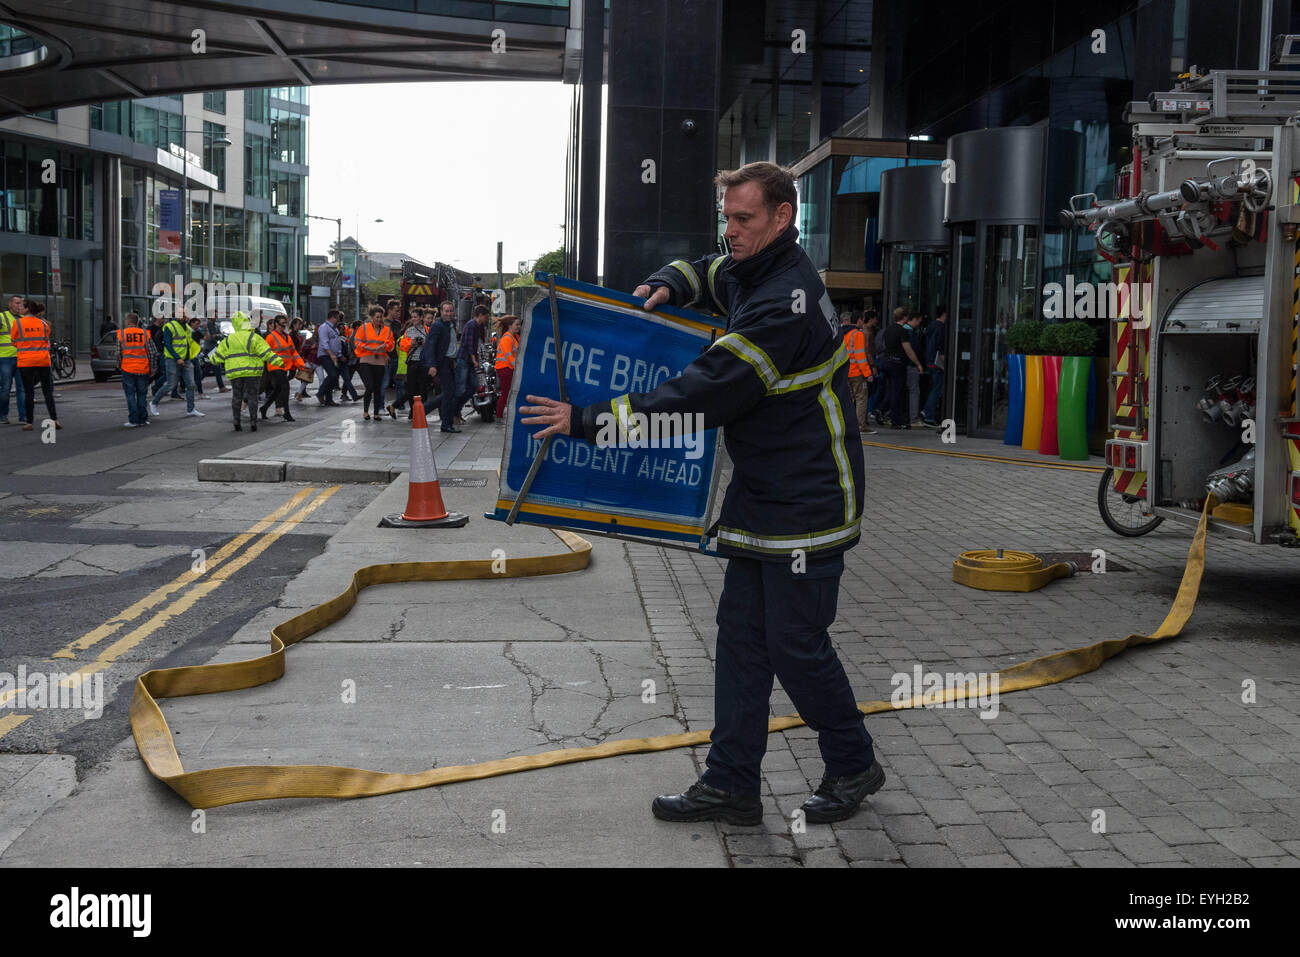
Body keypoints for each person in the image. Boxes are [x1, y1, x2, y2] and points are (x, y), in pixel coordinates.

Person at [520, 161, 881, 826]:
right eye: (727, 217)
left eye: (744, 219)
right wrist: (667, 280)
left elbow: (699, 397)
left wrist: (586, 421)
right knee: (743, 640)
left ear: (782, 217)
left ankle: (853, 762)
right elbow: (709, 271)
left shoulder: (783, 303)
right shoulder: (757, 270)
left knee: (795, 644)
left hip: (808, 503)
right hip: (764, 496)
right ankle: (732, 783)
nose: (731, 230)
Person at [208, 310, 285, 432]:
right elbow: (266, 353)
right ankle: (253, 422)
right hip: (252, 372)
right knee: (252, 396)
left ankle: (236, 421)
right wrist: (279, 361)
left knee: (236, 396)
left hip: (235, 373)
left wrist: (210, 359)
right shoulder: (254, 337)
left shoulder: (228, 340)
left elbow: (217, 357)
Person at [13, 300, 58, 432]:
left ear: (27, 309)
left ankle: (29, 422)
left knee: (28, 392)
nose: (19, 308)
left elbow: (14, 341)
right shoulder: (44, 324)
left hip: (26, 361)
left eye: (21, 306)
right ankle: (54, 419)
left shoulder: (18, 323)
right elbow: (46, 341)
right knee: (48, 391)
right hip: (43, 361)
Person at [149, 306, 202, 418]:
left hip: (185, 360)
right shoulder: (170, 326)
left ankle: (191, 409)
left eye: (185, 314)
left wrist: (189, 357)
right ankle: (153, 403)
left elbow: (187, 343)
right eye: (182, 314)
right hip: (173, 359)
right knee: (171, 384)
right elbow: (167, 344)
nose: (184, 316)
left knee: (191, 385)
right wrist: (177, 358)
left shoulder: (187, 328)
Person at [881, 307, 923, 430]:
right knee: (897, 392)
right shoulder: (902, 331)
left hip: (887, 362)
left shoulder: (888, 329)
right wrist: (918, 364)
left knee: (890, 390)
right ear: (904, 317)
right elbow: (908, 350)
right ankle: (896, 420)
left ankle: (886, 414)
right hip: (897, 364)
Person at [422, 300, 459, 432]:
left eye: (451, 311)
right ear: (441, 312)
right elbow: (429, 346)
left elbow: (452, 344)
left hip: (450, 362)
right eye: (446, 311)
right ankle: (446, 424)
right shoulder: (437, 325)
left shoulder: (451, 324)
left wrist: (454, 359)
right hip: (441, 362)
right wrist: (432, 365)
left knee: (450, 392)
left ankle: (424, 409)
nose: (449, 313)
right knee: (449, 393)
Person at [354, 305, 394, 421]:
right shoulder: (364, 328)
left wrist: (385, 346)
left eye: (380, 317)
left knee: (377, 388)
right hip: (366, 360)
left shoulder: (387, 330)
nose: (379, 319)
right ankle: (366, 411)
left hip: (380, 361)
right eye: (376, 317)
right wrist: (368, 348)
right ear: (372, 317)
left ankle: (376, 413)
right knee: (370, 386)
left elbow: (391, 345)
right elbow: (356, 342)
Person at [839, 310, 876, 436]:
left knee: (848, 400)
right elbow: (860, 356)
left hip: (844, 372)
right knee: (861, 399)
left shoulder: (842, 333)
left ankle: (846, 424)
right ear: (859, 320)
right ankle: (861, 425)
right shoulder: (857, 334)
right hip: (856, 372)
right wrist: (867, 373)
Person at [116, 313, 156, 427]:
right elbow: (152, 352)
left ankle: (133, 420)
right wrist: (153, 368)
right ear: (137, 322)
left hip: (127, 368)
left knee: (130, 395)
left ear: (128, 322)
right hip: (143, 368)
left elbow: (118, 353)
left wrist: (119, 366)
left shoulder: (122, 334)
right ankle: (143, 419)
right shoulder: (144, 333)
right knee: (142, 395)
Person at [260, 314, 302, 422]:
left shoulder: (287, 337)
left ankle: (264, 408)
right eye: (282, 323)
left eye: (285, 323)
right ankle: (287, 413)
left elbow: (293, 352)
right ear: (276, 324)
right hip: (274, 366)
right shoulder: (271, 337)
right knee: (285, 387)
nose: (284, 325)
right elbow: (264, 352)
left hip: (284, 367)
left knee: (278, 390)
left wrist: (301, 364)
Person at [454, 304, 491, 419]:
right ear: (480, 315)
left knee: (474, 386)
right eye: (486, 317)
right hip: (464, 359)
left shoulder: (477, 326)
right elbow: (469, 344)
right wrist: (474, 359)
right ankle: (454, 412)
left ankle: (457, 409)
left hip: (469, 361)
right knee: (460, 388)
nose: (486, 319)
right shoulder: (471, 325)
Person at [0, 292, 28, 425]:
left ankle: (23, 416)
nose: (19, 306)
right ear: (10, 304)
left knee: (21, 388)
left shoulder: (24, 319)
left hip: (21, 358)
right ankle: (3, 415)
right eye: (17, 303)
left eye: (21, 303)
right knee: (5, 388)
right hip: (5, 357)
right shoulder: (2, 317)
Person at [922, 305, 948, 426]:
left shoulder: (930, 326)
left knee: (933, 388)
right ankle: (929, 414)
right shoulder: (942, 328)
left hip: (929, 360)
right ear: (944, 314)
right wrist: (944, 364)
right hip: (937, 362)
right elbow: (940, 348)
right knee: (937, 389)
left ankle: (927, 411)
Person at [494, 314, 520, 421]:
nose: (519, 327)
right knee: (506, 393)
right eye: (517, 324)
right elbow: (509, 356)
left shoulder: (515, 337)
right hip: (505, 369)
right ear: (510, 326)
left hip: (509, 369)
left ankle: (502, 415)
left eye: (519, 324)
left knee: (508, 393)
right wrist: (518, 368)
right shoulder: (507, 339)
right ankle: (499, 416)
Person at [315, 309, 343, 406]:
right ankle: (320, 393)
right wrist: (331, 354)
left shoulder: (334, 328)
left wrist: (338, 355)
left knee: (334, 377)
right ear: (333, 317)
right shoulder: (324, 327)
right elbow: (324, 343)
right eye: (338, 318)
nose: (339, 320)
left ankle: (329, 399)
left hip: (333, 356)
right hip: (325, 355)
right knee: (332, 375)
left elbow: (337, 343)